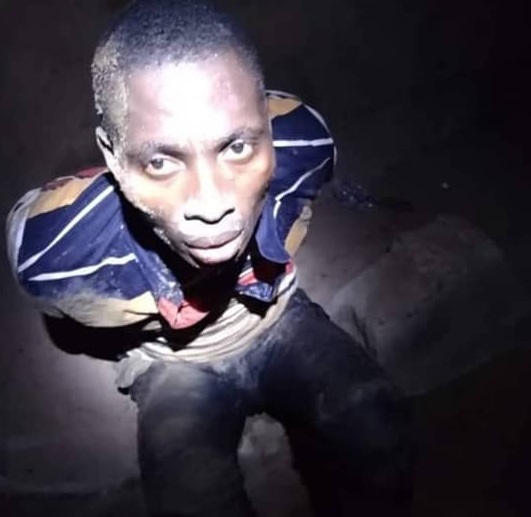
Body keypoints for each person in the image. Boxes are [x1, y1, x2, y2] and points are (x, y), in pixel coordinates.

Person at [6, 1, 415, 515]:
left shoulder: (304, 145)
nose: (212, 203)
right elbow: (30, 237)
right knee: (192, 499)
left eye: (236, 148)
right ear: (113, 158)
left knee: (379, 433)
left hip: (279, 319)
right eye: (161, 161)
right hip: (173, 365)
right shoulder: (63, 255)